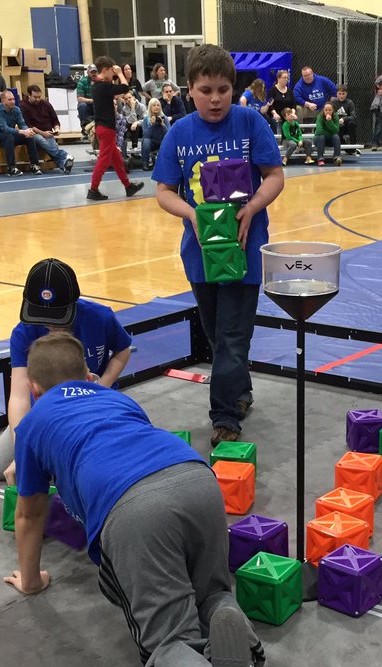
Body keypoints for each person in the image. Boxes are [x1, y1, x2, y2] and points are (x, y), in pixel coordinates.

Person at [3, 328, 263, 667]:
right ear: (87, 374)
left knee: (166, 640)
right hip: (195, 478)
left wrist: (31, 580)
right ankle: (229, 620)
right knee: (209, 588)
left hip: (133, 509)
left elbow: (30, 513)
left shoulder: (36, 421)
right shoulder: (114, 399)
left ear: (35, 389)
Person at [153, 44, 285, 445]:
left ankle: (225, 418)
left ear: (234, 88)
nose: (215, 99)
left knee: (231, 337)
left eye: (224, 90)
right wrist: (191, 215)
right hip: (201, 257)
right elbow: (163, 191)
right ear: (189, 89)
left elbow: (274, 176)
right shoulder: (179, 132)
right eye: (206, 89)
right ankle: (240, 392)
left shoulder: (249, 123)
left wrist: (252, 207)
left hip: (244, 253)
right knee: (217, 335)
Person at [0, 257, 133, 482]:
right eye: (43, 319)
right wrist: (22, 449)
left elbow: (123, 350)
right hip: (44, 412)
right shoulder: (23, 333)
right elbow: (19, 397)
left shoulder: (100, 316)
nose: (51, 326)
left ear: (74, 304)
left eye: (57, 319)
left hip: (92, 405)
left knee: (88, 465)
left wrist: (103, 386)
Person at [87, 56, 144, 201]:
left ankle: (128, 186)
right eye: (111, 71)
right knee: (103, 161)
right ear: (105, 70)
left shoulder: (97, 85)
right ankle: (93, 190)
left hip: (103, 127)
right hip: (106, 128)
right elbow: (125, 88)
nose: (113, 74)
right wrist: (120, 74)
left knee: (117, 160)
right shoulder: (103, 86)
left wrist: (115, 75)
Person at [0, 90, 44, 177]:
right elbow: (4, 128)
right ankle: (11, 168)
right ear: (3, 101)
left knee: (29, 137)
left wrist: (28, 131)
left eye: (13, 99)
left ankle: (34, 165)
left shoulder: (16, 109)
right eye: (9, 100)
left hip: (9, 134)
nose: (13, 101)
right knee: (9, 137)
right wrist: (22, 131)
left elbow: (22, 124)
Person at [22, 83, 75, 174]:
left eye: (39, 97)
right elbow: (28, 125)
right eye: (35, 97)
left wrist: (57, 129)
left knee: (50, 146)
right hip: (34, 133)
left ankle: (64, 164)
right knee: (40, 139)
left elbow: (55, 120)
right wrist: (43, 133)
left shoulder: (46, 104)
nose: (38, 99)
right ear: (29, 95)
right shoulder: (23, 106)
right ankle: (65, 155)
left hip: (48, 132)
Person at [119, 90, 148, 166]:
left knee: (137, 125)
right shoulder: (125, 109)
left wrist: (137, 123)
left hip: (142, 129)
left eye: (129, 97)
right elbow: (131, 121)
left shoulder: (142, 106)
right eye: (126, 99)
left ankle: (134, 148)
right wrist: (132, 108)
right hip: (131, 130)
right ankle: (124, 154)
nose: (128, 100)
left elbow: (146, 120)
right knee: (127, 126)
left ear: (134, 97)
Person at [140, 97, 167, 170]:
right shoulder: (146, 119)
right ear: (150, 107)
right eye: (154, 105)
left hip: (162, 141)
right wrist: (151, 125)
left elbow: (169, 135)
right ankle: (145, 163)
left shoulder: (164, 118)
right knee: (146, 141)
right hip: (151, 142)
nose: (156, 107)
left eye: (158, 105)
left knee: (167, 141)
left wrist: (162, 124)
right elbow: (145, 135)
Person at [314, 101, 343, 166]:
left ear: (332, 110)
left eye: (330, 110)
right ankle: (320, 159)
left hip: (329, 140)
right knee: (321, 137)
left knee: (335, 136)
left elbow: (336, 130)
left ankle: (337, 157)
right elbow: (319, 131)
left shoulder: (335, 117)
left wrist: (329, 121)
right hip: (318, 139)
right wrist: (330, 133)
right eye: (326, 110)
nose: (328, 111)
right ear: (323, 110)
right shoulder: (320, 117)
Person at [75, 63, 97, 128]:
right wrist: (93, 100)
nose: (94, 74)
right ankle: (84, 127)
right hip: (87, 105)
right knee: (82, 105)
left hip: (98, 105)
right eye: (92, 72)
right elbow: (80, 99)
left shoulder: (101, 81)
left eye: (95, 72)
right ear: (88, 72)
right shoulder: (82, 81)